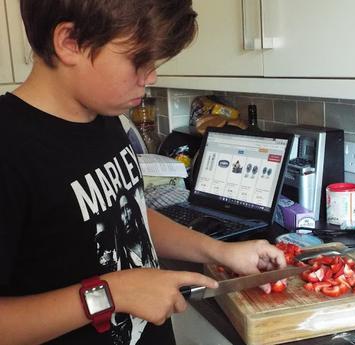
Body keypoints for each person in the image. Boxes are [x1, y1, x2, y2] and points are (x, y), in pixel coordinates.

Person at [0, 1, 287, 344]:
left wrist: (220, 252)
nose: (151, 76)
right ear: (70, 41)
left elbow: (130, 209)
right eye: (139, 60)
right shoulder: (10, 147)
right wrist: (109, 295)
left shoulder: (104, 118)